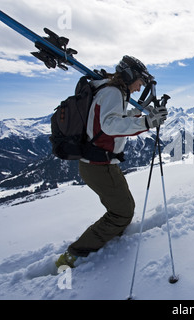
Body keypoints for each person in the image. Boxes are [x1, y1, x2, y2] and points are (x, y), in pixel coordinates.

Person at [56, 56, 168, 268]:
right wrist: (147, 121)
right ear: (130, 76)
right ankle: (74, 255)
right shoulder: (113, 92)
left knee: (124, 208)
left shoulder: (110, 90)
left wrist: (144, 115)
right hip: (99, 166)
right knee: (122, 212)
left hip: (99, 164)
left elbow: (116, 116)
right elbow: (109, 125)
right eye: (139, 82)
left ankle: (108, 239)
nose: (139, 88)